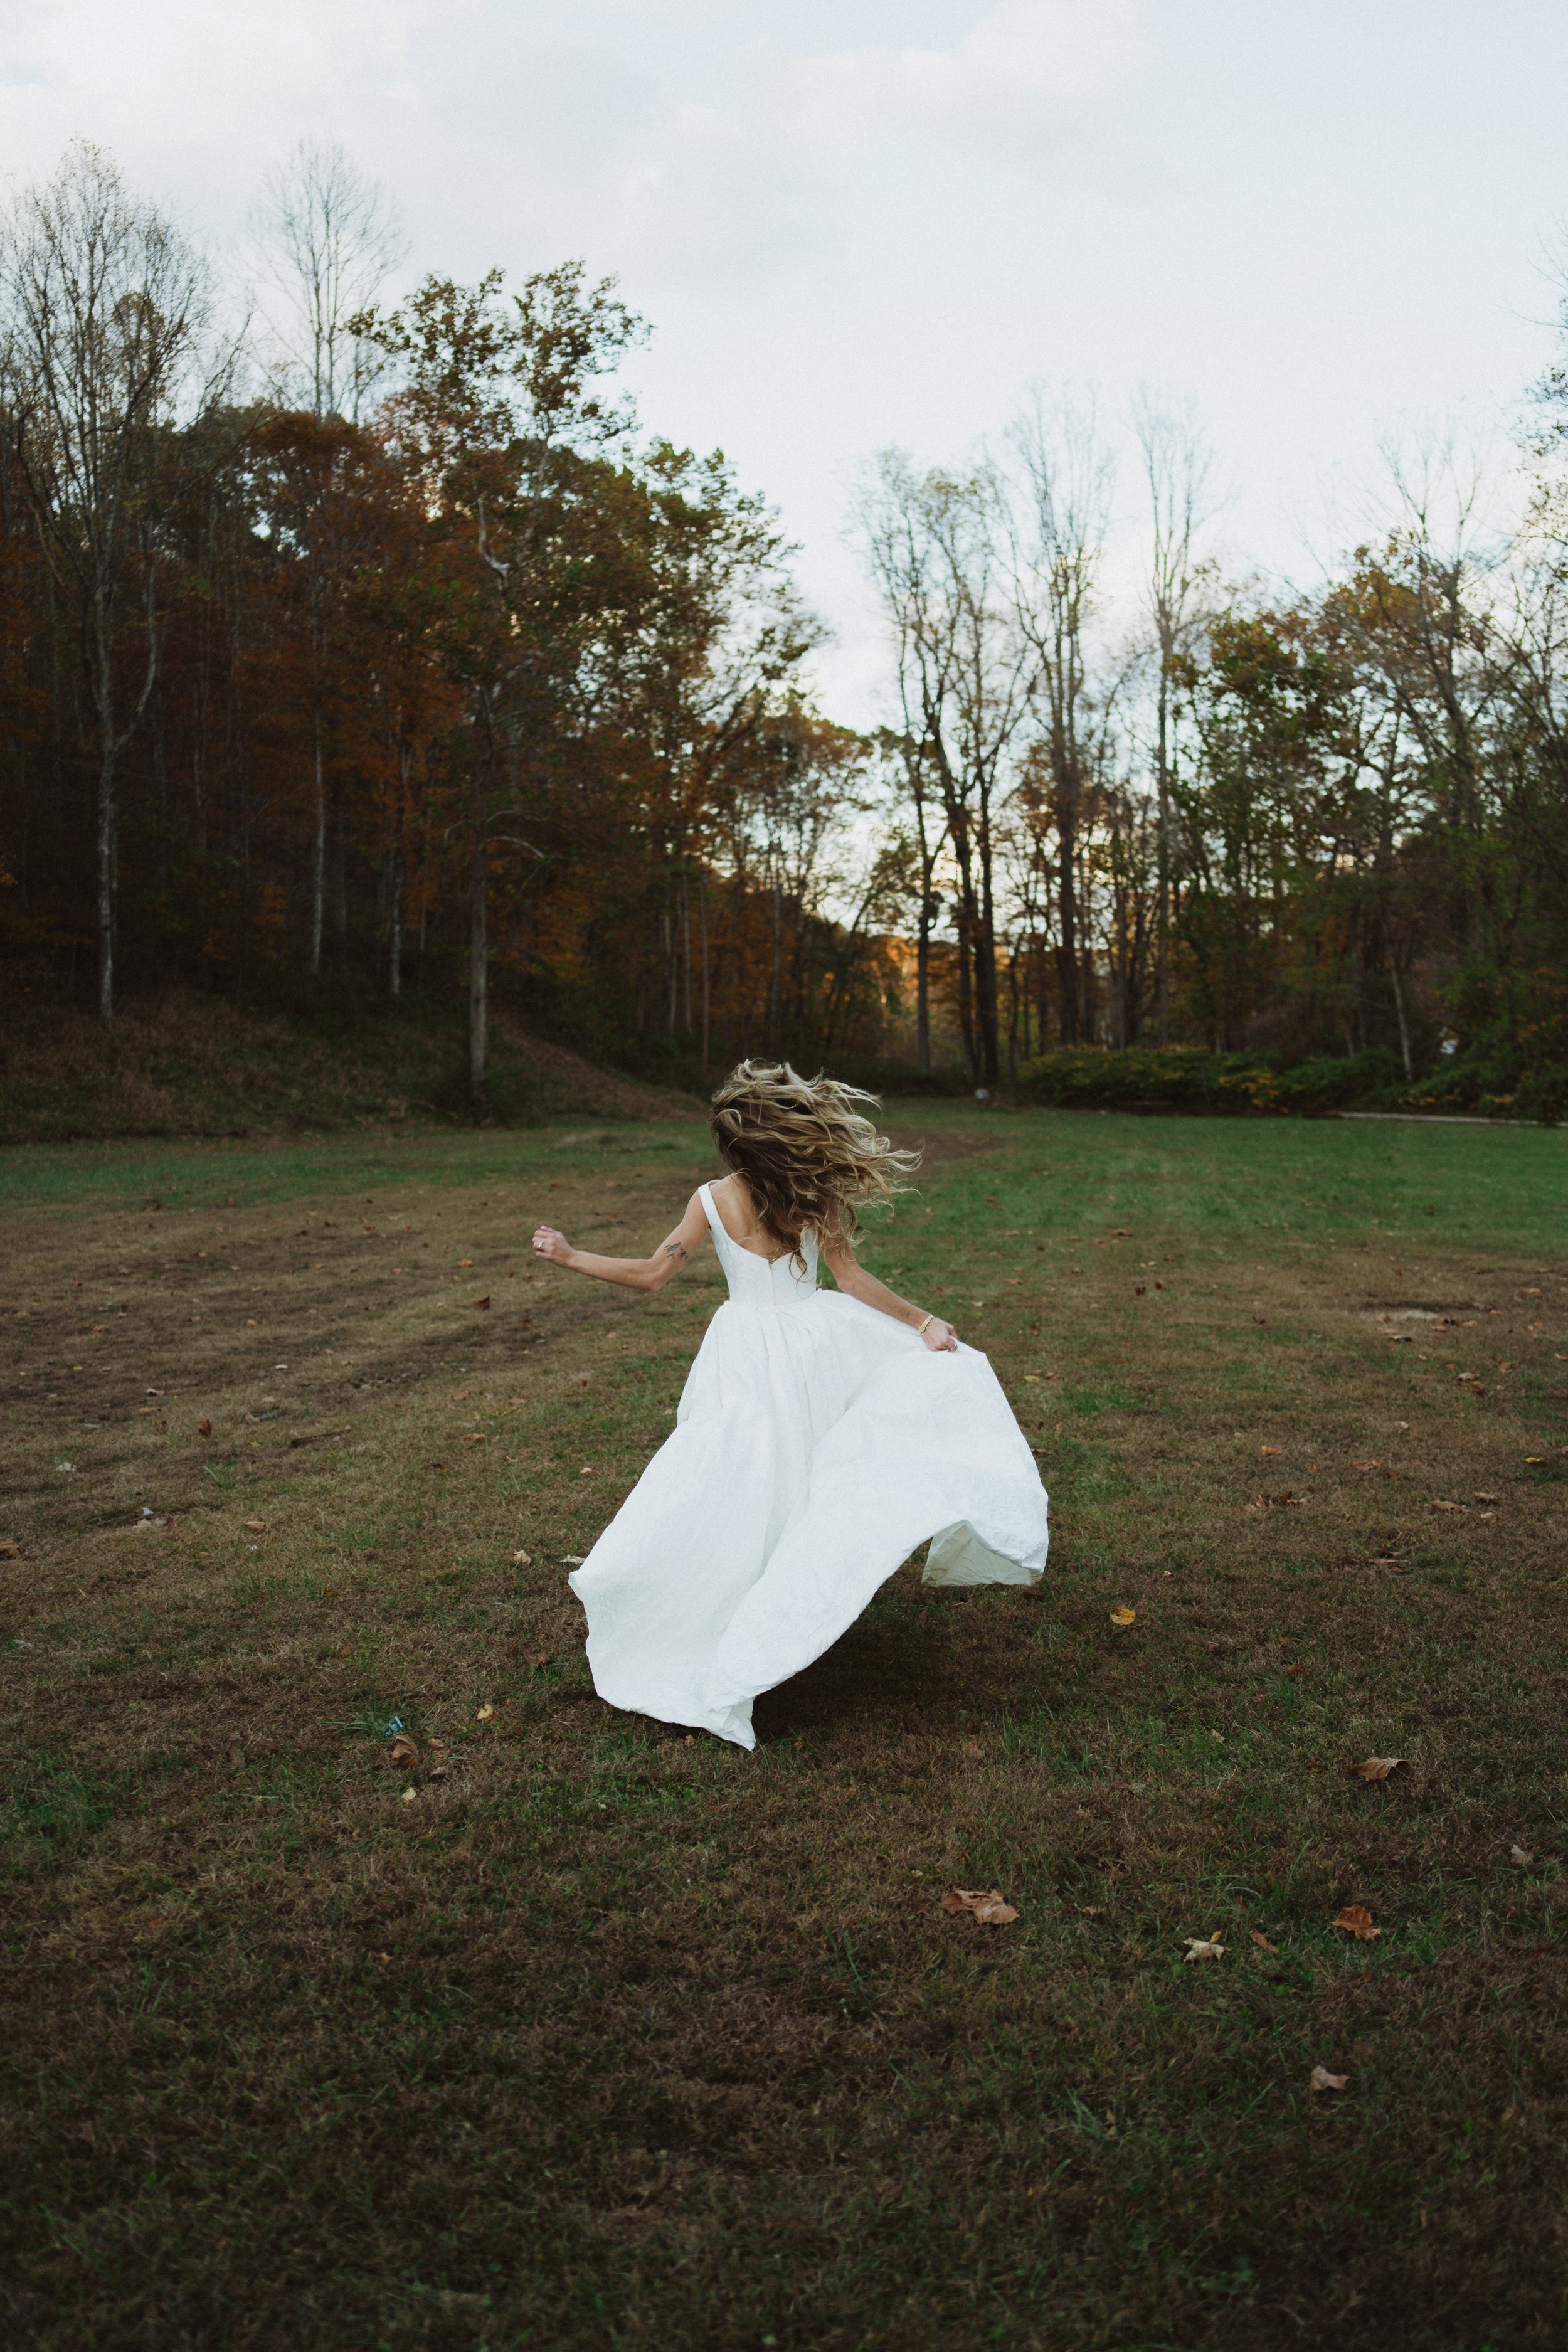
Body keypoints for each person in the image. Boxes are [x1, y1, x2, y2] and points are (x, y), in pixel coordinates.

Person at [531, 1061, 1049, 1750]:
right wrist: (923, 1322)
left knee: (740, 1473)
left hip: (745, 1351)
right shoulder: (812, 1193)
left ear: (731, 1145)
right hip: (813, 1345)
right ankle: (777, 1599)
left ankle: (741, 1601)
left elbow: (653, 1274)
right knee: (809, 1473)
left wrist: (569, 1256)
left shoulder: (710, 1200)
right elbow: (853, 1279)